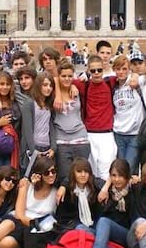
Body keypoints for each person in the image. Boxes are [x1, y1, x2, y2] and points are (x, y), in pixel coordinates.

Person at [75, 159, 135, 248]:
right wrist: (105, 187)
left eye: (121, 176)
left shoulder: (134, 189)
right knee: (80, 228)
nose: (117, 179)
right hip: (103, 234)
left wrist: (135, 178)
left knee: (103, 221)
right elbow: (87, 178)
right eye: (113, 175)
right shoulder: (105, 189)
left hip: (125, 234)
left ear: (127, 176)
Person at [73, 55, 118, 183]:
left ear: (103, 68)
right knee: (90, 171)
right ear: (88, 70)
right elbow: (64, 80)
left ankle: (104, 197)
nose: (96, 73)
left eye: (99, 70)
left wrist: (135, 76)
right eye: (93, 71)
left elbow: (128, 76)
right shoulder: (84, 85)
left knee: (106, 170)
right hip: (89, 133)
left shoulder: (110, 82)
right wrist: (73, 85)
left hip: (107, 134)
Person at [54, 60, 91, 188]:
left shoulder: (77, 89)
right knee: (65, 178)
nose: (67, 79)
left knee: (83, 178)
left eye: (70, 76)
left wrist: (74, 85)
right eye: (63, 76)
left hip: (80, 138)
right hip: (61, 140)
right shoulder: (52, 92)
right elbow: (50, 76)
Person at [112, 55, 145, 175]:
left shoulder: (135, 82)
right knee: (121, 169)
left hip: (134, 134)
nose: (121, 72)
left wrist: (135, 75)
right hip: (118, 133)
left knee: (128, 169)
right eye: (118, 69)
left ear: (129, 69)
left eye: (124, 69)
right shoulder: (113, 86)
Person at [19, 72, 56, 175]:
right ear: (38, 86)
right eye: (45, 85)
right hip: (33, 149)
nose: (48, 88)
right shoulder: (29, 104)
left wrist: (53, 148)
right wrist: (33, 151)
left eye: (50, 86)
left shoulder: (49, 104)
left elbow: (51, 127)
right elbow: (27, 130)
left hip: (47, 148)